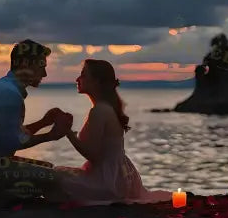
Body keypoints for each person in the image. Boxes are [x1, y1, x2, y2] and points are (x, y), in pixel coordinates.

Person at [0, 39, 72, 206]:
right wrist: (51, 135)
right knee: (57, 180)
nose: (44, 74)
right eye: (42, 67)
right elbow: (11, 143)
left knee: (48, 167)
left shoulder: (5, 88)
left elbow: (12, 135)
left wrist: (43, 122)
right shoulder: (9, 94)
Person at [52, 59, 171, 206]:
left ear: (96, 81)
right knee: (59, 174)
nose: (77, 79)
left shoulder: (99, 110)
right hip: (119, 176)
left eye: (83, 75)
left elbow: (93, 155)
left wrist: (67, 132)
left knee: (55, 177)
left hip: (108, 182)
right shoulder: (106, 107)